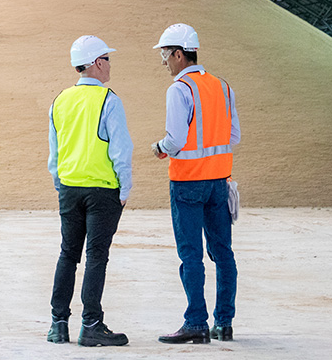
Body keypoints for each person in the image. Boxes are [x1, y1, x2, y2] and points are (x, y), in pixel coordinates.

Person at [150, 23, 241, 344]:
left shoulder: (179, 89)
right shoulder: (223, 87)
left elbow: (175, 140)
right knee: (223, 253)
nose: (163, 61)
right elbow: (233, 136)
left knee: (191, 256)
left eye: (165, 54)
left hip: (188, 182)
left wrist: (160, 148)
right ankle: (224, 324)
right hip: (219, 182)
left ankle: (196, 323)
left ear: (179, 54)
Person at [46, 35, 133, 347]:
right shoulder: (109, 100)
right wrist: (125, 187)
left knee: (68, 254)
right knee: (96, 256)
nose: (109, 65)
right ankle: (91, 325)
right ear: (97, 63)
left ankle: (58, 325)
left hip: (70, 189)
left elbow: (54, 154)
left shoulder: (60, 100)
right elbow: (121, 150)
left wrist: (61, 184)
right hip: (103, 191)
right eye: (107, 59)